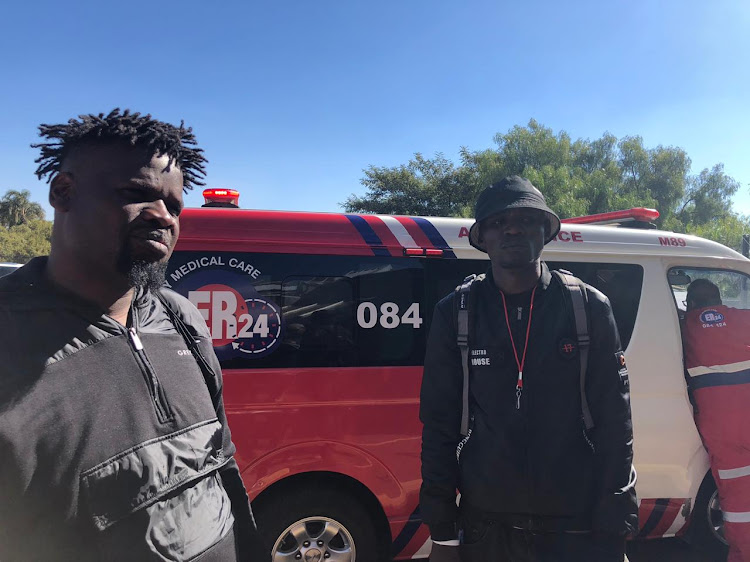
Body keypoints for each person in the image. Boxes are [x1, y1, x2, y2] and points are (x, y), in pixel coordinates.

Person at [0, 109, 267, 561]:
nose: (164, 216)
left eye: (176, 205)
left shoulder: (182, 317)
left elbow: (221, 464)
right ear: (63, 192)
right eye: (137, 193)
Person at [420, 176, 638, 561]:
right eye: (499, 222)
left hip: (577, 524)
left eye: (527, 219)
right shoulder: (455, 312)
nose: (513, 228)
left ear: (547, 232)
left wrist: (615, 520)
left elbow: (615, 422)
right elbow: (438, 424)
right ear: (482, 236)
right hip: (486, 528)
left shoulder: (588, 308)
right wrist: (442, 531)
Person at [683, 279, 750, 562]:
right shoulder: (742, 318)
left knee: (737, 498)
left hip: (722, 427)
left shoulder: (685, 326)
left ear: (692, 304)